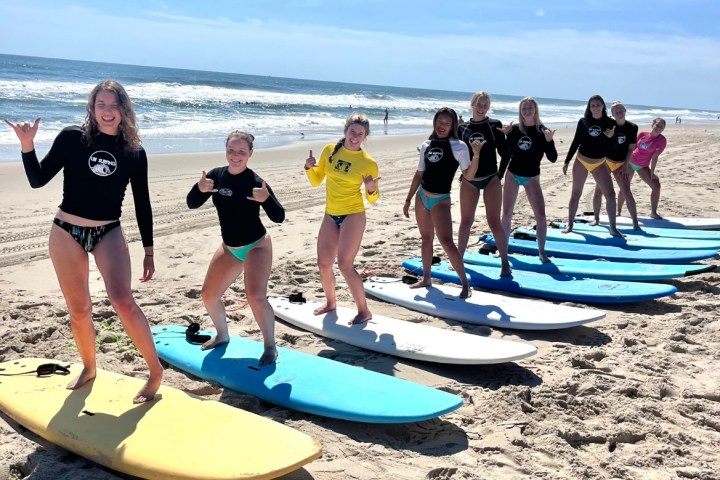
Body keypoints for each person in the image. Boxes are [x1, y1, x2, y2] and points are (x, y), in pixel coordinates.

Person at [3, 80, 163, 404]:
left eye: (113, 105)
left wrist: (148, 251)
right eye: (100, 104)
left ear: (123, 110)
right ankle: (89, 367)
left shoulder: (134, 152)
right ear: (92, 108)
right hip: (66, 232)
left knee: (123, 301)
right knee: (80, 310)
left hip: (109, 231)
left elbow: (142, 203)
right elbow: (37, 180)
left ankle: (155, 371)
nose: (107, 111)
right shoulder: (72, 138)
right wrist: (26, 145)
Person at [186, 131, 284, 364]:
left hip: (256, 246)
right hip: (230, 248)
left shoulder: (255, 182)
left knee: (255, 296)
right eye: (232, 150)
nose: (236, 155)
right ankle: (222, 335)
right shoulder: (216, 176)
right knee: (209, 295)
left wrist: (266, 199)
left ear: (250, 153)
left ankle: (270, 346)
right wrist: (199, 188)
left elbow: (279, 216)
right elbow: (192, 204)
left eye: (241, 151)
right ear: (226, 151)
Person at [304, 113, 380, 325]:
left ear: (365, 137)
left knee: (345, 264)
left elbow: (373, 199)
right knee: (323, 263)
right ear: (345, 131)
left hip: (353, 214)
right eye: (352, 132)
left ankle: (364, 311)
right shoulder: (330, 150)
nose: (355, 136)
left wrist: (371, 188)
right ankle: (331, 303)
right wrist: (309, 168)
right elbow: (316, 181)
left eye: (360, 134)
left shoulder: (368, 163)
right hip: (330, 213)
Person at [403, 107, 482, 298]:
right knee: (426, 238)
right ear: (435, 122)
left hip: (441, 200)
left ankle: (465, 284)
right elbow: (419, 174)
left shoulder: (459, 146)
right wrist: (408, 199)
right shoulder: (426, 145)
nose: (442, 126)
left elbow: (468, 175)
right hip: (422, 196)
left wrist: (476, 154)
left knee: (447, 242)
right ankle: (427, 278)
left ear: (452, 125)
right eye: (440, 122)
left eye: (447, 123)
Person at [457, 91, 511, 276]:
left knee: (494, 222)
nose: (481, 108)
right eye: (479, 104)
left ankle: (505, 262)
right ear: (472, 104)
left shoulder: (494, 125)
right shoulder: (462, 128)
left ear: (488, 107)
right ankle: (459, 259)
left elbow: (505, 154)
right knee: (465, 222)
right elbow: (456, 155)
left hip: (491, 179)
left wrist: (507, 137)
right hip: (469, 181)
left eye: (485, 105)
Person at [498, 97, 558, 263]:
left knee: (540, 215)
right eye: (524, 108)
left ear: (535, 110)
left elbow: (553, 158)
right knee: (506, 215)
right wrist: (499, 175)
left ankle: (541, 251)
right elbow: (506, 154)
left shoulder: (542, 130)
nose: (527, 110)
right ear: (520, 111)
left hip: (532, 177)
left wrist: (549, 141)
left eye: (530, 107)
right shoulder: (515, 129)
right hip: (513, 174)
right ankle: (503, 249)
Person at [561, 94, 622, 236]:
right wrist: (567, 161)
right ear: (589, 107)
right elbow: (576, 142)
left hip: (599, 162)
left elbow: (613, 148)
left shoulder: (610, 123)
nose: (595, 107)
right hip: (581, 161)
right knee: (575, 194)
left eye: (598, 105)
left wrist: (611, 138)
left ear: (603, 106)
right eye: (592, 105)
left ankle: (613, 228)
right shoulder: (583, 121)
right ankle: (569, 225)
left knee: (610, 195)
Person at [589, 101, 641, 229]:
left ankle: (635, 223)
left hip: (620, 164)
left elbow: (631, 149)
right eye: (616, 111)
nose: (619, 113)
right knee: (598, 191)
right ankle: (596, 219)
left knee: (627, 192)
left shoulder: (632, 127)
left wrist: (625, 166)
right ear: (612, 114)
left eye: (621, 110)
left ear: (625, 111)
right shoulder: (608, 125)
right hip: (605, 163)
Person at [619, 118, 667, 219]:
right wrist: (624, 164)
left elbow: (655, 158)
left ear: (663, 129)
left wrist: (652, 173)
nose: (658, 128)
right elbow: (632, 148)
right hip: (630, 163)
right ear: (652, 124)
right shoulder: (642, 134)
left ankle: (653, 213)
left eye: (661, 126)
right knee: (624, 187)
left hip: (643, 166)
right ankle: (618, 212)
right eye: (657, 125)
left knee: (656, 186)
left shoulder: (662, 141)